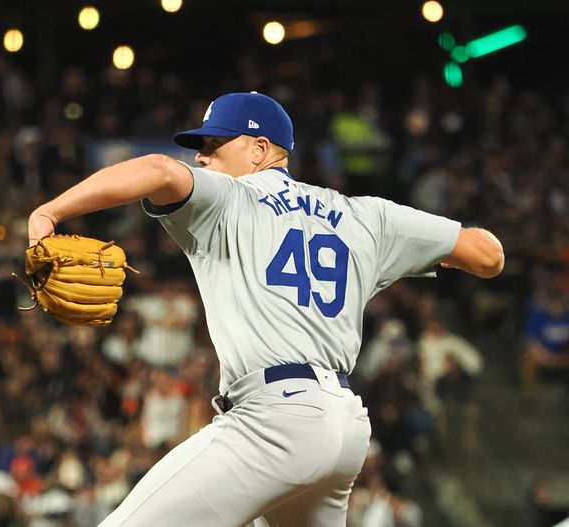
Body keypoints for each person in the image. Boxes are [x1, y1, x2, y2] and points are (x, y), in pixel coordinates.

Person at [27, 92, 504, 526]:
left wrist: (49, 212)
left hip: (274, 419)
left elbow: (157, 169)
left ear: (258, 150)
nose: (201, 157)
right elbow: (488, 256)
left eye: (213, 144)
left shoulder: (229, 197)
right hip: (343, 425)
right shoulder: (369, 217)